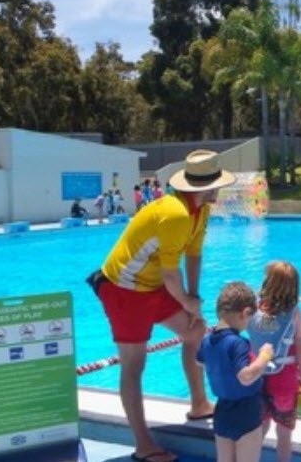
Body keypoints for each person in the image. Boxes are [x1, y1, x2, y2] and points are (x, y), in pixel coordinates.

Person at [87, 150, 236, 462]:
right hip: (124, 289)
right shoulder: (176, 214)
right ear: (205, 188)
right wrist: (185, 300)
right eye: (217, 185)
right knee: (134, 364)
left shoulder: (200, 210)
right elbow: (171, 272)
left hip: (153, 285)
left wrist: (193, 301)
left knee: (195, 331)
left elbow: (193, 256)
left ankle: (199, 405)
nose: (220, 190)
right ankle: (143, 445)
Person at [197, 282, 274, 462]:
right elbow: (246, 377)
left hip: (222, 412)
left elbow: (199, 361)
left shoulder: (207, 340)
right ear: (245, 313)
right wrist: (264, 356)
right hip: (246, 412)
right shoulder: (237, 343)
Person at [247, 261, 301, 462]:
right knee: (284, 435)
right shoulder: (294, 313)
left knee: (259, 429)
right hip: (284, 380)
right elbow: (300, 346)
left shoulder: (252, 309)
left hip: (257, 376)